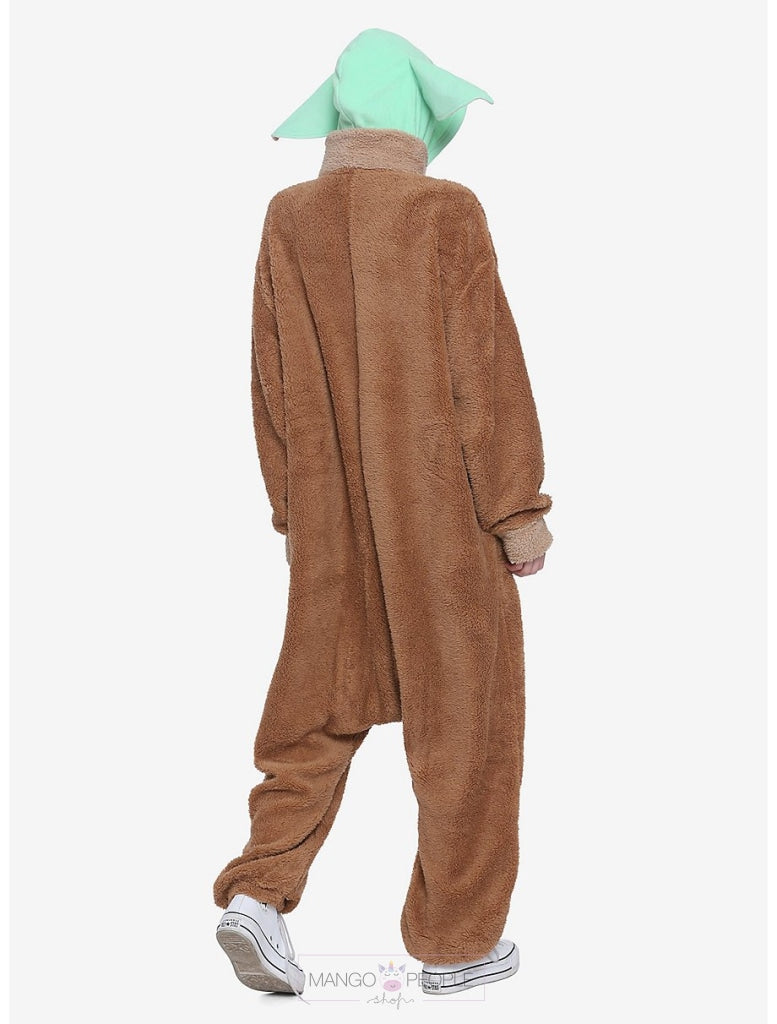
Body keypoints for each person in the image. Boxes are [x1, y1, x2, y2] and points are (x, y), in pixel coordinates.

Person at [213, 27, 554, 1000]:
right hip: (440, 524)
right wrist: (517, 512)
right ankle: (456, 943)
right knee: (467, 721)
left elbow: (270, 382)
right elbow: (485, 372)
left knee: (315, 715)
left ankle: (260, 895)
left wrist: (295, 515)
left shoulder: (288, 219)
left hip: (328, 525)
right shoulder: (445, 212)